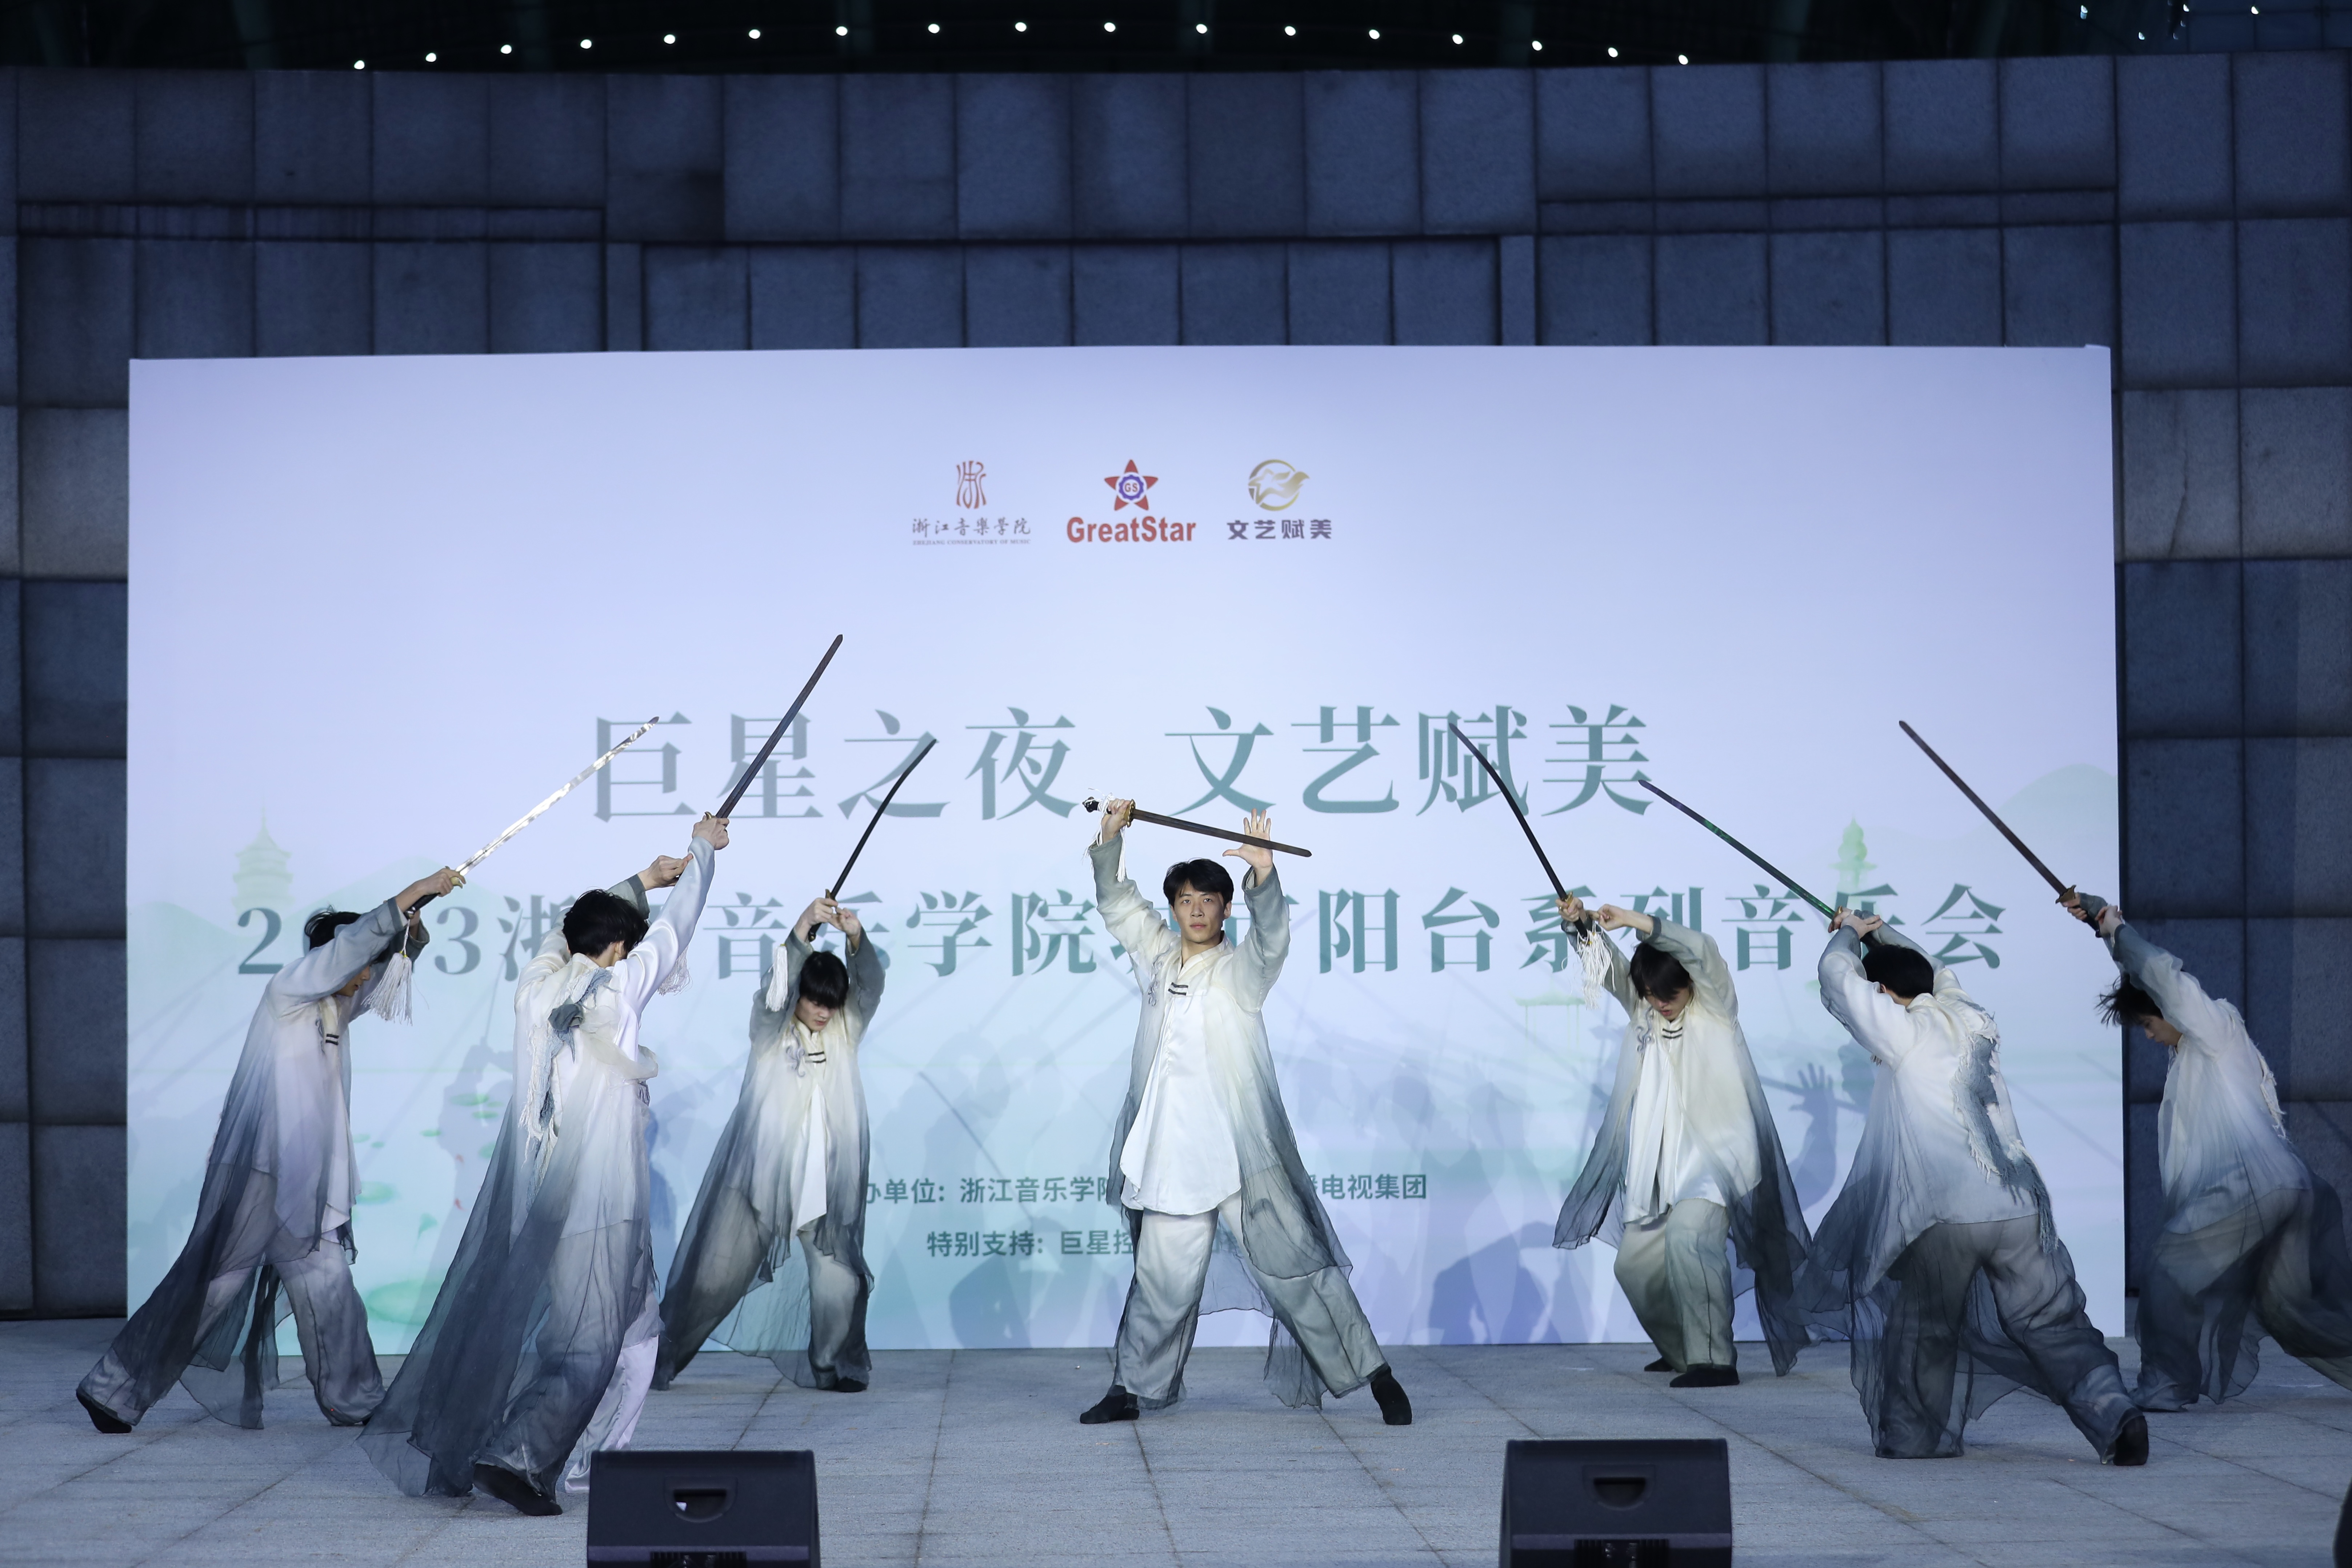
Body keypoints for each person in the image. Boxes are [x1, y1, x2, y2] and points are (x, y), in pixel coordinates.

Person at [360, 819, 724, 1515]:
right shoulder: (619, 989)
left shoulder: (534, 990)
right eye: (626, 945)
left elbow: (562, 936)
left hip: (541, 1203)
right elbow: (678, 927)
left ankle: (589, 1460)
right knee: (590, 1341)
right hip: (599, 1205)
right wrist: (704, 848)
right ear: (618, 948)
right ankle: (519, 1456)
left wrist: (641, 881)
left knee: (632, 1335)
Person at [77, 867, 461, 1432]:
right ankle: (113, 1389)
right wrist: (413, 890)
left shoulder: (337, 1006)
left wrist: (413, 928)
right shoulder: (290, 991)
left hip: (309, 1186)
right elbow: (355, 950)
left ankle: (353, 1399)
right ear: (333, 958)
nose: (365, 975)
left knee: (330, 1289)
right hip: (266, 1174)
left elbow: (384, 974)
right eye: (358, 963)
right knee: (215, 1288)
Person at [1078, 800, 1410, 1426]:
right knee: (1160, 1284)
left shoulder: (1240, 974)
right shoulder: (1157, 956)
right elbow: (1118, 904)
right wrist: (1110, 837)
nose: (1196, 910)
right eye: (1185, 900)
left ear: (1226, 909)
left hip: (1238, 1157)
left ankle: (1376, 1375)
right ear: (1174, 908)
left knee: (1297, 1274)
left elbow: (1272, 941)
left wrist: (1264, 874)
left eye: (1208, 900)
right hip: (1170, 1155)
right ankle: (1129, 1389)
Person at [1806, 909, 2145, 1463]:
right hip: (2019, 1206)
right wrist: (1877, 933)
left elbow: (1836, 975)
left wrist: (1848, 932)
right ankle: (2116, 1412)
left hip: (1949, 1215)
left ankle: (1917, 1438)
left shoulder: (1905, 1031)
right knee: (2050, 1320)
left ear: (1886, 994)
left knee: (1926, 1329)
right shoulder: (1968, 1012)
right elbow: (1935, 967)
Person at [2069, 892, 2352, 1409]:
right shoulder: (2200, 1049)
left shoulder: (2212, 1028)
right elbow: (2148, 980)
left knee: (2169, 1268)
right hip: (2286, 1186)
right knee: (2292, 1310)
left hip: (2251, 1184)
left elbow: (2161, 976)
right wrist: (2103, 926)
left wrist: (2115, 929)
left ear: (2168, 1011)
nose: (2150, 1036)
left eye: (2149, 1024)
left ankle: (2166, 1384)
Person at [1551, 896, 1812, 1386]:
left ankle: (1714, 1360)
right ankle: (1683, 1351)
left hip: (1715, 1161)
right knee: (1634, 1267)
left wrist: (1634, 921)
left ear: (1691, 982)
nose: (1660, 1001)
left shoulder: (1715, 1008)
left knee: (1691, 1239)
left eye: (1669, 991)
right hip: (1659, 1167)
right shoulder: (1645, 1011)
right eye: (1651, 993)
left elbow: (1701, 949)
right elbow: (1610, 969)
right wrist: (1582, 925)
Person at [655, 893, 885, 1394]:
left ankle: (830, 1368)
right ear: (799, 995)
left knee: (840, 1284)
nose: (823, 1011)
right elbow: (773, 991)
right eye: (815, 1000)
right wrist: (802, 928)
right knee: (712, 1282)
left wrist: (855, 939)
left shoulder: (845, 1032)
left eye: (832, 1003)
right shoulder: (770, 1034)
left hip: (824, 1194)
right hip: (760, 1191)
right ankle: (658, 1360)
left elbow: (870, 987)